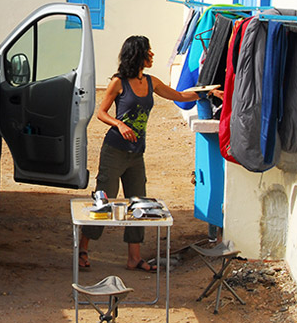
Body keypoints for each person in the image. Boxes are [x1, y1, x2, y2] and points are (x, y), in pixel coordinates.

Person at [78, 35, 223, 272]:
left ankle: (133, 258)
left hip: (136, 154)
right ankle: (84, 247)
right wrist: (120, 125)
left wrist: (206, 92)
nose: (153, 55)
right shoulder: (118, 82)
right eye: (149, 51)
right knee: (104, 200)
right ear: (138, 55)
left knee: (139, 203)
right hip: (114, 151)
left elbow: (179, 96)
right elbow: (101, 113)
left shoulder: (151, 81)